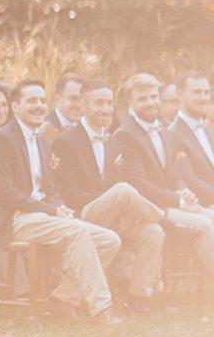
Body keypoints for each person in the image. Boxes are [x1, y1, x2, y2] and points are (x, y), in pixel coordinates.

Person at [0, 80, 122, 324]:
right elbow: (4, 191)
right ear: (15, 107)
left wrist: (60, 207)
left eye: (41, 101)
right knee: (78, 231)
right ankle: (101, 308)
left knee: (110, 240)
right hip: (13, 218)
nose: (38, 106)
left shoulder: (42, 142)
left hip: (42, 216)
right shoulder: (1, 140)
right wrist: (50, 210)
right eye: (31, 101)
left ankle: (62, 298)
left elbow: (51, 187)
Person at [46, 80, 167, 310]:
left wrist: (118, 209)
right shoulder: (65, 141)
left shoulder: (111, 140)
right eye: (99, 103)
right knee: (123, 191)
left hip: (112, 216)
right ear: (83, 105)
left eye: (109, 103)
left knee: (153, 232)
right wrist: (110, 200)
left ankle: (137, 296)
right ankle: (162, 214)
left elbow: (115, 186)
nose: (106, 109)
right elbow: (66, 192)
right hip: (81, 213)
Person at [111, 73, 214, 280]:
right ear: (129, 102)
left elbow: (174, 173)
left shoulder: (163, 131)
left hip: (172, 203)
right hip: (151, 210)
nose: (150, 102)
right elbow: (139, 185)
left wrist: (183, 189)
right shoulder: (125, 135)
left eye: (153, 96)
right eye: (142, 99)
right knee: (206, 225)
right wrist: (178, 201)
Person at [169, 72, 214, 203]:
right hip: (202, 206)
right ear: (179, 94)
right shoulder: (173, 134)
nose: (204, 98)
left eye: (207, 92)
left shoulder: (207, 130)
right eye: (197, 92)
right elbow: (190, 180)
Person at [41, 74, 86, 138]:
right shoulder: (42, 130)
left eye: (82, 99)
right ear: (58, 99)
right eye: (74, 98)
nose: (79, 105)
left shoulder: (87, 129)